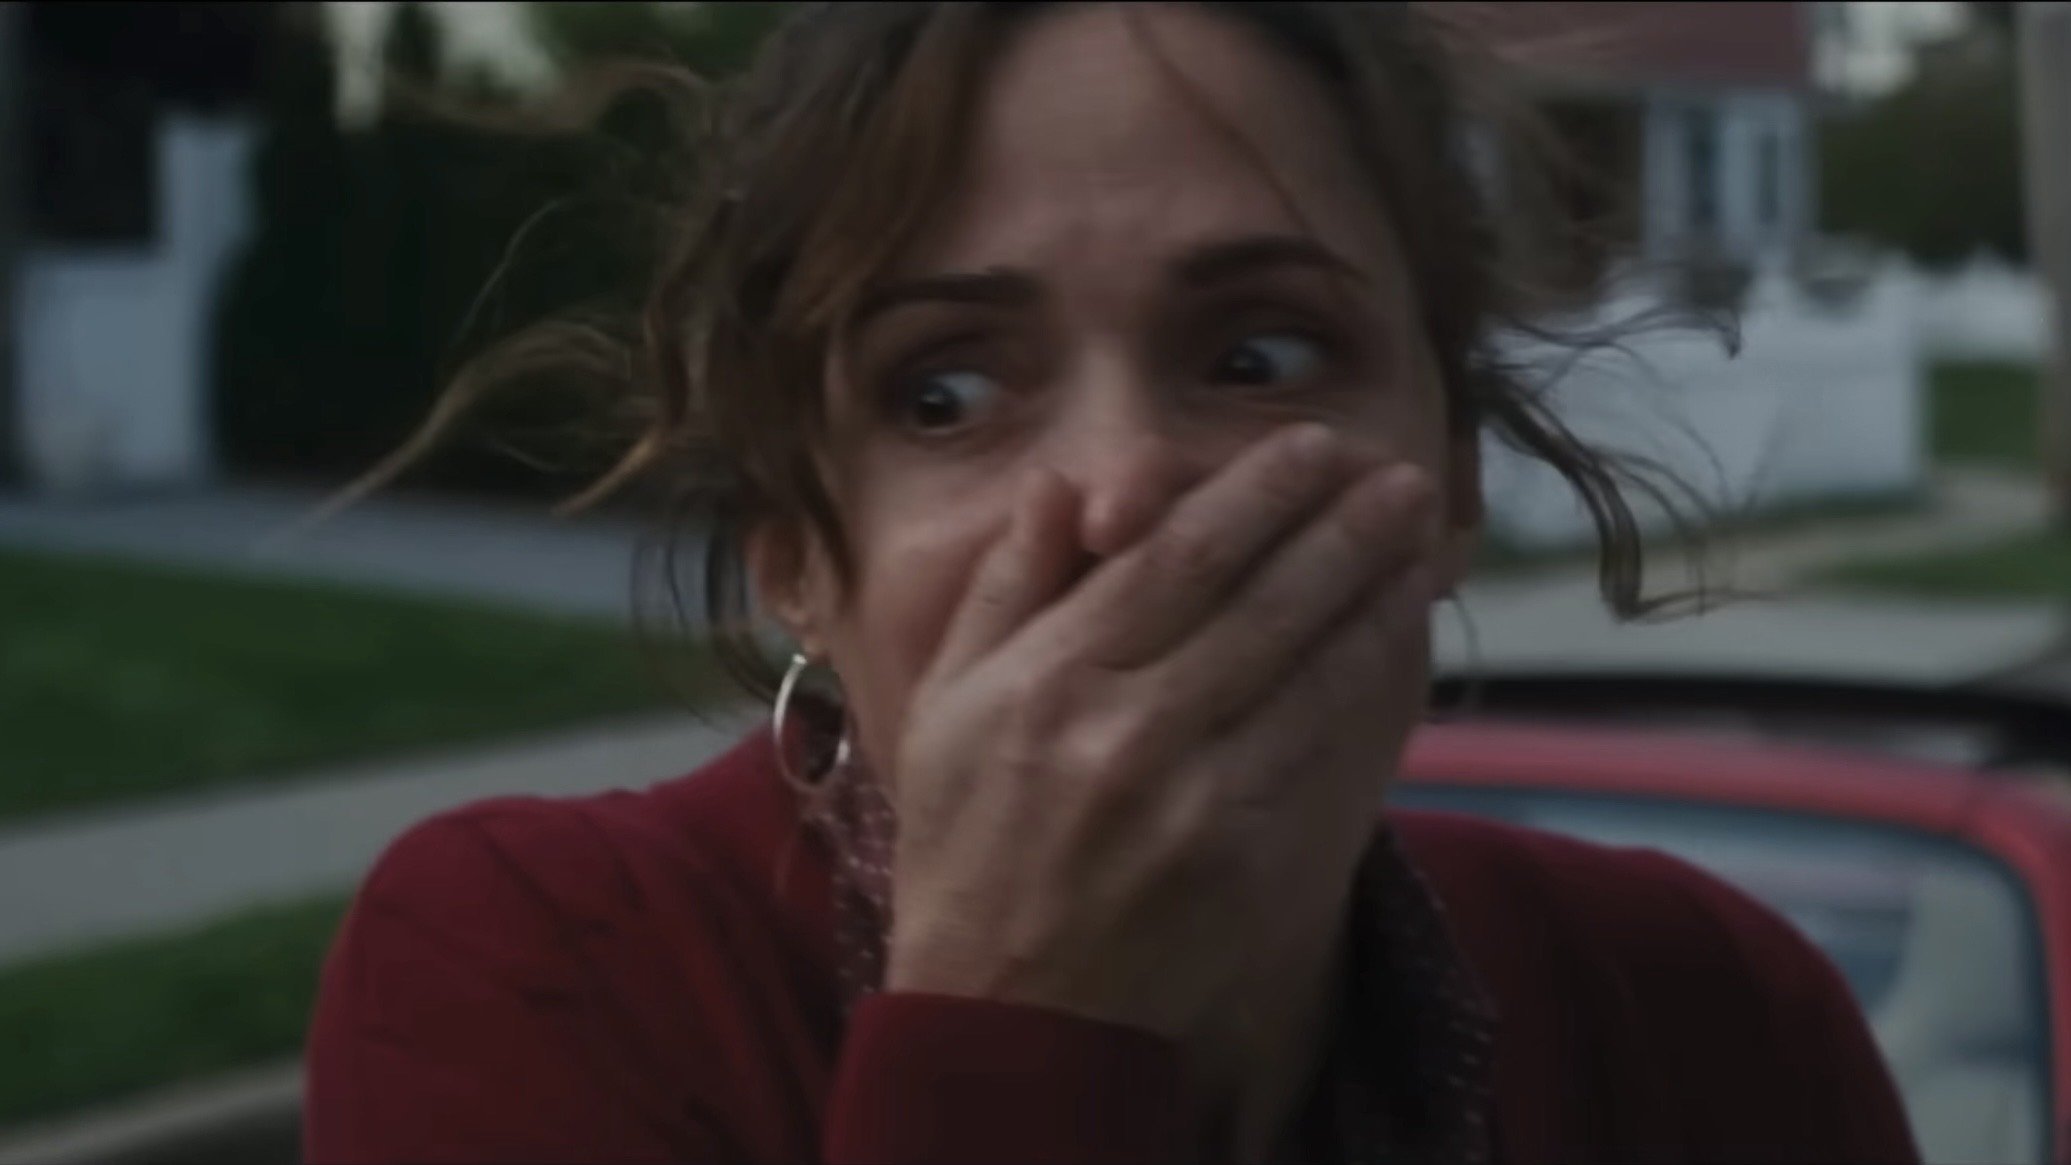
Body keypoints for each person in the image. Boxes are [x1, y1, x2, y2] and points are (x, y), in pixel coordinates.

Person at [303, 4, 1922, 1163]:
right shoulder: (539, 974)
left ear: (1450, 484)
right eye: (945, 390)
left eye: (1260, 354)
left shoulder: (1713, 1011)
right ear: (795, 558)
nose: (1125, 488)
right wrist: (1023, 1019)